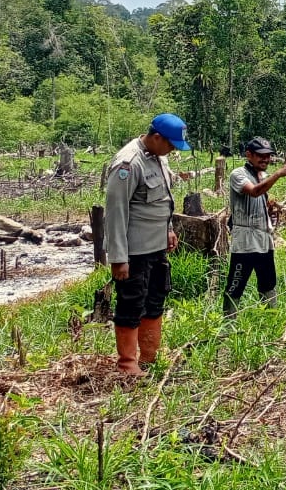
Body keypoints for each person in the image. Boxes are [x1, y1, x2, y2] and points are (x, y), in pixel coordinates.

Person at [104, 113, 190, 376]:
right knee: (131, 303)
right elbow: (115, 213)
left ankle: (149, 357)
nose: (173, 150)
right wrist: (119, 258)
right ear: (156, 137)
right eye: (171, 144)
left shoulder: (159, 158)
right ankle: (127, 364)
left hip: (157, 247)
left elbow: (163, 199)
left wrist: (169, 229)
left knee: (155, 299)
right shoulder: (128, 163)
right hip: (135, 251)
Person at [222, 137, 286, 317]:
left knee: (268, 282)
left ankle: (270, 321)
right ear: (249, 155)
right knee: (236, 283)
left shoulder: (261, 175)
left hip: (263, 237)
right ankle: (228, 324)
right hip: (245, 239)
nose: (266, 159)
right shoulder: (238, 174)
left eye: (268, 156)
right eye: (261, 156)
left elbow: (259, 195)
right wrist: (277, 174)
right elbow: (254, 192)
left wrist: (267, 208)